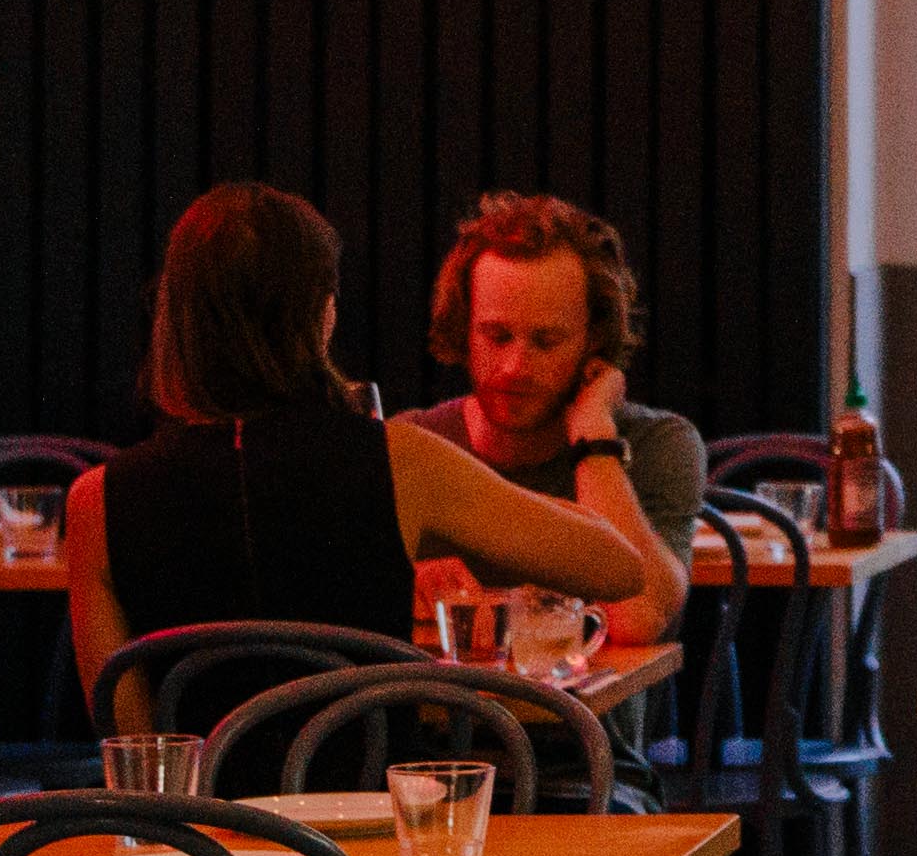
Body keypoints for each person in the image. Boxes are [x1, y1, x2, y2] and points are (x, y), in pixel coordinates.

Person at [66, 185, 675, 684]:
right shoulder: (400, 460)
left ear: (173, 316)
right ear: (322, 316)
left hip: (196, 830)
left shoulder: (94, 503)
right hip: (370, 823)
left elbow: (125, 736)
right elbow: (619, 570)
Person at [412, 192, 697, 649]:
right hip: (438, 718)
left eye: (546, 341)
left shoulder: (656, 442)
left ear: (593, 342)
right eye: (496, 335)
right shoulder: (416, 443)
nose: (515, 367)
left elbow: (637, 619)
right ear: (464, 327)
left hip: (579, 722)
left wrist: (594, 441)